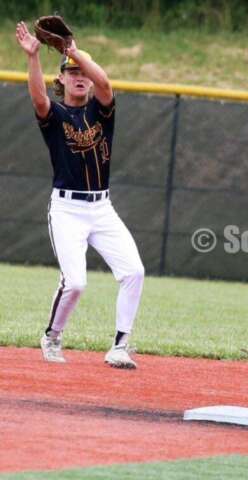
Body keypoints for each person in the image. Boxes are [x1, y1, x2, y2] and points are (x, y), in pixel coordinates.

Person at [15, 21, 144, 368]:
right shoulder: (55, 115)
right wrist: (33, 58)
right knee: (75, 283)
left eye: (81, 70)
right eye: (71, 72)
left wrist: (73, 51)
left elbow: (104, 83)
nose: (79, 75)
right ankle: (52, 335)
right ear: (62, 80)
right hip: (67, 210)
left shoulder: (102, 111)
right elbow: (38, 97)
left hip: (102, 208)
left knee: (134, 271)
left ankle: (120, 345)